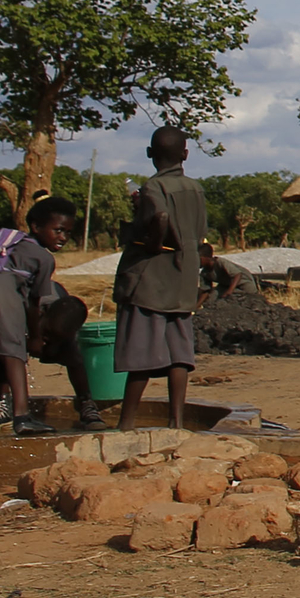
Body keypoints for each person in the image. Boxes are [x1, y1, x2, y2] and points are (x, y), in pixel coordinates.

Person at [113, 127, 210, 431]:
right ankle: (177, 421)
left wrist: (154, 242)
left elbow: (161, 218)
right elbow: (199, 231)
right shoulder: (195, 188)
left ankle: (126, 424)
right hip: (182, 279)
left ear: (149, 154)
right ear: (185, 154)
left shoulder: (152, 188)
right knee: (178, 353)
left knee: (140, 352)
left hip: (150, 281)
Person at [0, 196, 84, 434]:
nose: (63, 238)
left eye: (68, 233)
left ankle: (7, 410)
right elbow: (33, 304)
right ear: (36, 226)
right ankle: (21, 416)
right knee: (13, 354)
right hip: (3, 295)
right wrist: (35, 337)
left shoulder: (11, 242)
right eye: (58, 230)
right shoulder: (44, 258)